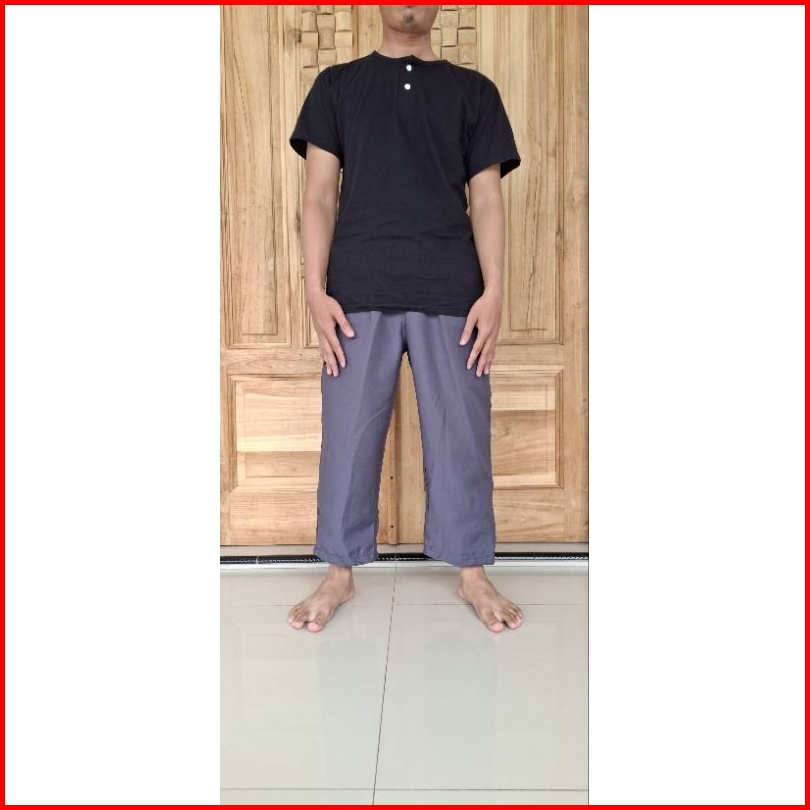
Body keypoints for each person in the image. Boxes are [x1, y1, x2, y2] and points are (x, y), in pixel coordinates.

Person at [287, 5, 523, 633]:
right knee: (348, 434)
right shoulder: (337, 86)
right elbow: (318, 195)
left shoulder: (474, 92)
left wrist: (494, 290)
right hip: (357, 288)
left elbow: (487, 197)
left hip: (453, 289)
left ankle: (472, 571)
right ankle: (339, 573)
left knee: (461, 434)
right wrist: (314, 289)